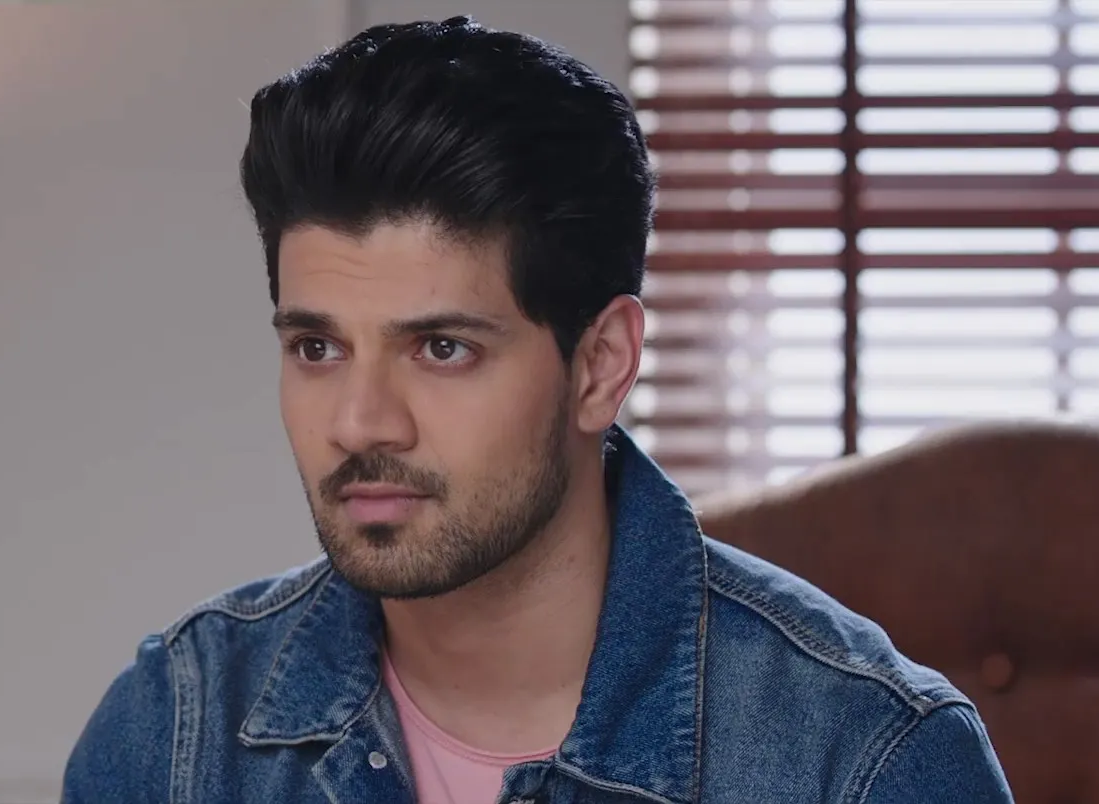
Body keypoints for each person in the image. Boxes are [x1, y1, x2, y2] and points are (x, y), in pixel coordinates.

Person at [63, 16, 1013, 804]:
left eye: (442, 349)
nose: (359, 423)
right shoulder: (172, 736)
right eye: (318, 348)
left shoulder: (866, 761)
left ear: (601, 366)